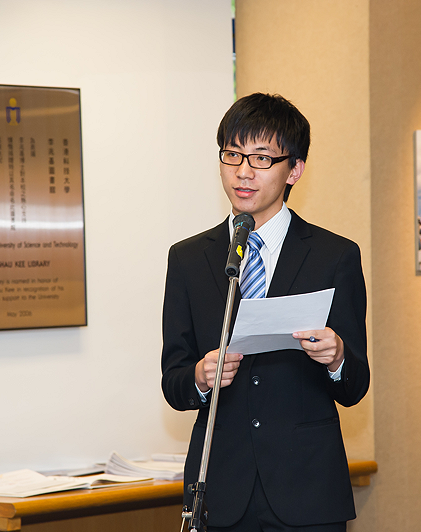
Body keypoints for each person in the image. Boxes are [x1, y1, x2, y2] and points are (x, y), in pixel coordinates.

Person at [161, 93, 369, 531]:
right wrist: (199, 377)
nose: (243, 171)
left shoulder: (334, 256)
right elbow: (174, 382)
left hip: (307, 491)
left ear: (294, 169)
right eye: (232, 154)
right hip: (219, 491)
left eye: (261, 158)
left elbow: (355, 385)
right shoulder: (188, 258)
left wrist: (337, 358)